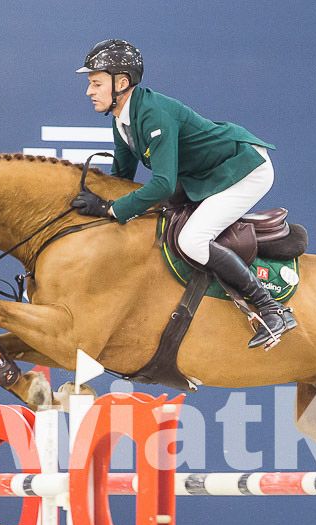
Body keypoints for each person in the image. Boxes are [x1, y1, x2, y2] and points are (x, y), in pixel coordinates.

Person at [71, 38, 298, 349]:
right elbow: (122, 179)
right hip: (206, 174)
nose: (89, 91)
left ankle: (273, 310)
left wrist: (111, 209)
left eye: (96, 83)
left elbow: (163, 184)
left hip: (244, 169)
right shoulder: (122, 119)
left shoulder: (153, 114)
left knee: (192, 240)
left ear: (121, 83)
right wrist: (98, 201)